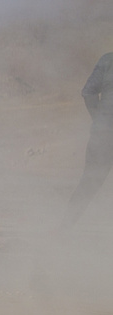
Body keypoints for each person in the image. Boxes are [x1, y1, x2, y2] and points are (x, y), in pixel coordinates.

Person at [67, 52, 113, 226]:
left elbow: (88, 92)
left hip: (103, 134)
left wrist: (100, 119)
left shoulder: (108, 60)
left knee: (88, 184)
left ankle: (64, 228)